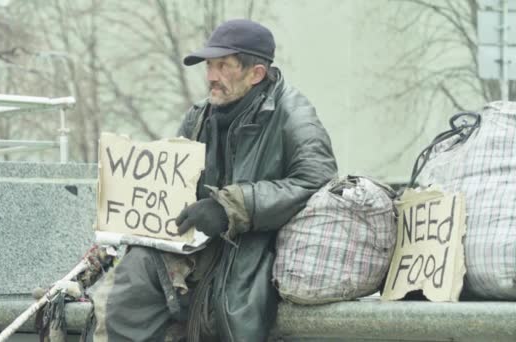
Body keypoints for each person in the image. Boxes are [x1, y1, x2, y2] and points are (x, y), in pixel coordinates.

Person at [86, 19, 338, 342]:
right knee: (134, 271)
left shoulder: (295, 115)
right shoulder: (198, 116)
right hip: (202, 249)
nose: (210, 77)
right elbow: (173, 187)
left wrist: (231, 207)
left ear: (256, 74)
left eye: (223, 66)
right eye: (209, 66)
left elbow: (317, 182)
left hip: (256, 252)